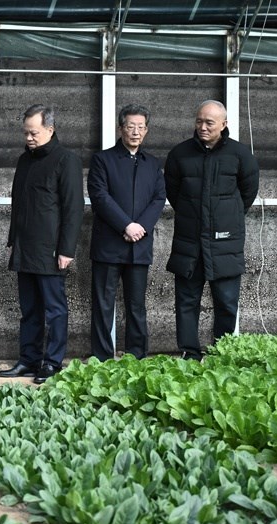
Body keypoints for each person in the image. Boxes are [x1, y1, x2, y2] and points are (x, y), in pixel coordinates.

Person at [165, 99, 260, 360]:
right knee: (186, 301)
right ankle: (189, 353)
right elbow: (174, 192)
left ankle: (222, 354)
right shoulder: (180, 154)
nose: (203, 127)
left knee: (226, 302)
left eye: (209, 122)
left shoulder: (240, 155)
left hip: (225, 243)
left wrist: (226, 217)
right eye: (199, 121)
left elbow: (247, 193)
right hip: (189, 241)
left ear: (224, 124)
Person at [0, 104, 84, 384]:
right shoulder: (25, 160)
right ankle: (28, 359)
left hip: (51, 249)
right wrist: (13, 239)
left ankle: (52, 362)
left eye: (33, 133)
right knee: (29, 310)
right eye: (25, 133)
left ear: (50, 129)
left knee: (55, 310)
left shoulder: (66, 160)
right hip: (24, 247)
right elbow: (18, 203)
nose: (28, 138)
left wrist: (67, 250)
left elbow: (73, 208)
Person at [87, 104, 167, 361]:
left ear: (146, 130)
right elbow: (99, 196)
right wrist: (126, 225)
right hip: (108, 245)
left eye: (141, 127)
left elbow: (159, 198)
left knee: (137, 305)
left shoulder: (152, 163)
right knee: (103, 304)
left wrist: (140, 227)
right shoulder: (103, 160)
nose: (136, 132)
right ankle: (102, 358)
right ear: (120, 128)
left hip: (139, 245)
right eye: (131, 126)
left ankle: (137, 356)